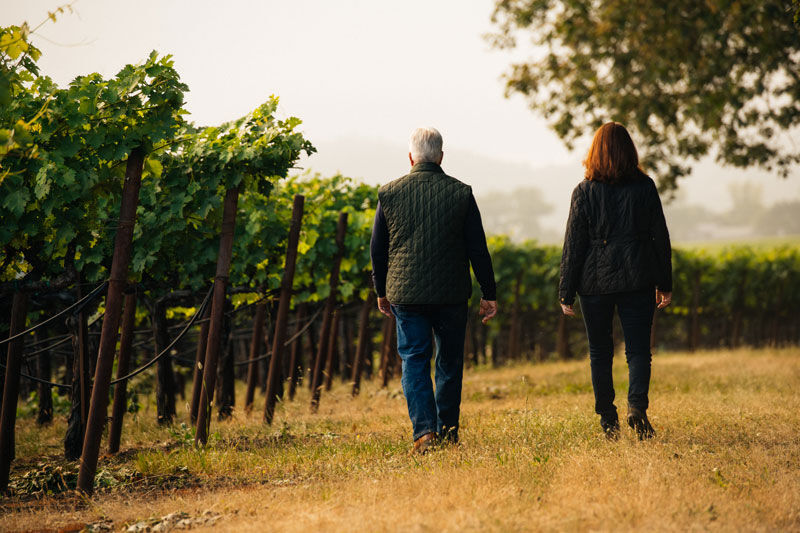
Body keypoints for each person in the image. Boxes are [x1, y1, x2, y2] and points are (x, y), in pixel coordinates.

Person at [370, 127, 498, 454]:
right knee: (449, 362)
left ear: (411, 156)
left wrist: (381, 291)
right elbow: (477, 249)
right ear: (441, 156)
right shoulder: (461, 193)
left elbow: (378, 250)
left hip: (405, 294)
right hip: (452, 294)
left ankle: (424, 433)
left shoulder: (389, 193)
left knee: (414, 360)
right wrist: (488, 292)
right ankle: (449, 432)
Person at [558, 122, 672, 440]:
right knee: (638, 351)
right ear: (629, 151)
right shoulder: (645, 186)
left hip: (594, 283)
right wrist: (665, 283)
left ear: (594, 152)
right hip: (638, 278)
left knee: (599, 351)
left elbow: (574, 244)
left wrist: (566, 290)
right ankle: (637, 408)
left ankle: (609, 421)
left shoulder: (583, 191)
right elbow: (659, 238)